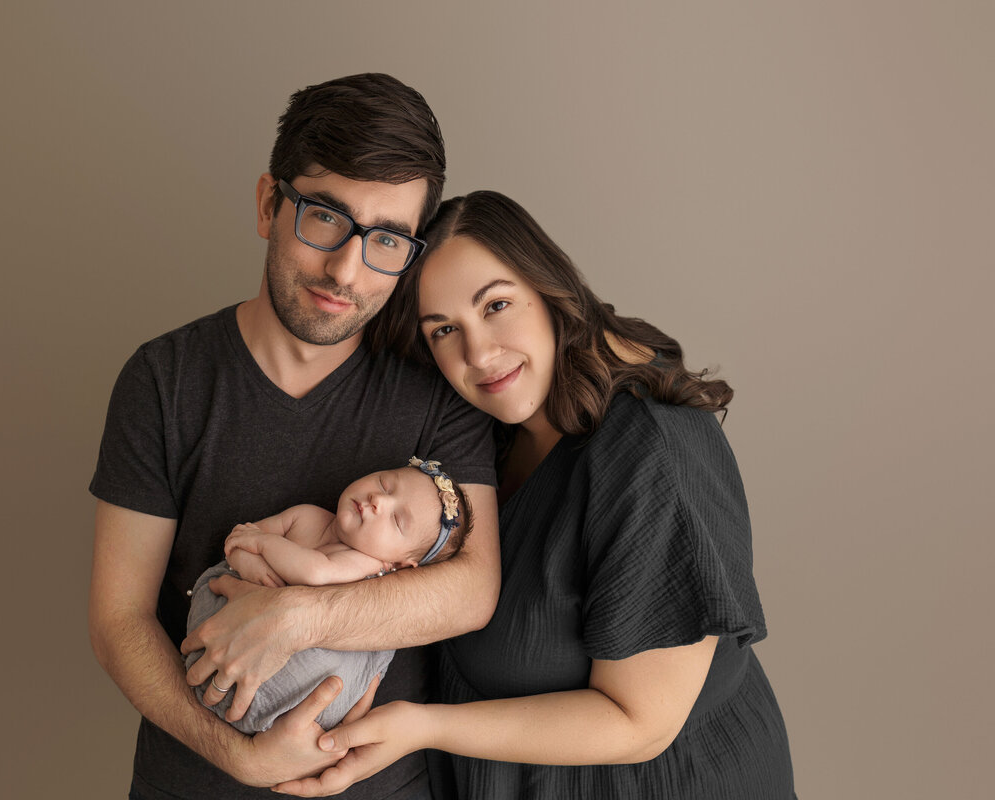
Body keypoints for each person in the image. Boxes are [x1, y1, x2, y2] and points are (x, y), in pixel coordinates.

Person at [276, 191, 796, 799]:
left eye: (496, 305)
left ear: (550, 292)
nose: (479, 354)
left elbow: (641, 724)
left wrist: (420, 726)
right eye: (445, 330)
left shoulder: (650, 455)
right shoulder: (487, 440)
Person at [87, 74, 500, 800]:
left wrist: (300, 615)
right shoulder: (164, 379)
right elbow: (119, 618)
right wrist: (238, 758)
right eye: (324, 218)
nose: (347, 269)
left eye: (386, 239)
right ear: (268, 205)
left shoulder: (441, 391)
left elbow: (470, 589)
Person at [185, 458, 473, 735]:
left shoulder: (367, 565)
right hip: (232, 630)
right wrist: (247, 561)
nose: (379, 500)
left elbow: (314, 573)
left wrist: (261, 544)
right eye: (385, 484)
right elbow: (240, 539)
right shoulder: (306, 515)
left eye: (397, 520)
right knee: (217, 577)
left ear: (399, 564)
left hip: (284, 667)